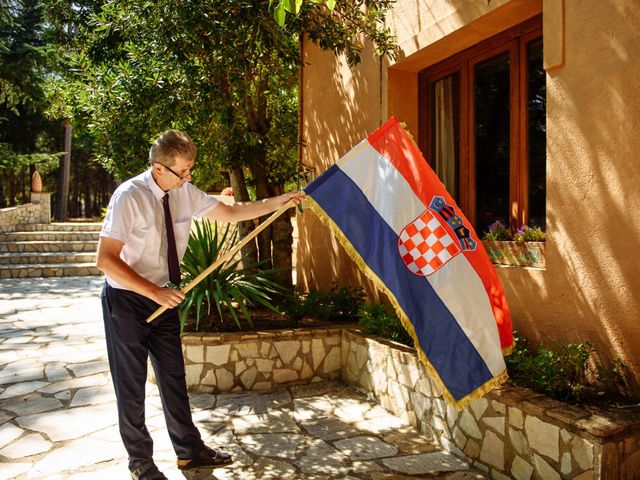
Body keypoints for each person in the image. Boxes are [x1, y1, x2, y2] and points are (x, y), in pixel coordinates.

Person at [96, 129, 304, 480]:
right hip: (128, 300)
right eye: (184, 171)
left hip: (164, 297)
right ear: (159, 168)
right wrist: (153, 291)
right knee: (130, 385)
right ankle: (140, 463)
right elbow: (105, 260)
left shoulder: (183, 193)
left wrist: (279, 202)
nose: (189, 177)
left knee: (174, 378)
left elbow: (232, 212)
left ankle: (189, 452)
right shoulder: (128, 196)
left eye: (191, 170)